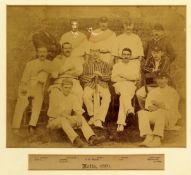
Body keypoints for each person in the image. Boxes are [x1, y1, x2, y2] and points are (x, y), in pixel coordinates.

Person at [47, 79, 105, 147]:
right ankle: (76, 140)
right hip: (54, 121)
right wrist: (70, 118)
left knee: (81, 118)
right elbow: (59, 112)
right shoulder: (56, 96)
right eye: (65, 87)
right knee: (63, 119)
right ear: (61, 87)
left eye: (69, 88)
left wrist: (79, 116)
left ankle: (92, 138)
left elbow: (78, 109)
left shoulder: (72, 97)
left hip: (66, 120)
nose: (67, 90)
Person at [12, 46, 51, 136]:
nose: (42, 54)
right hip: (28, 86)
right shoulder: (30, 64)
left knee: (37, 102)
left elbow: (54, 73)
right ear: (37, 53)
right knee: (22, 101)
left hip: (40, 88)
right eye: (40, 52)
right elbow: (24, 78)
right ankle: (15, 127)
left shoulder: (50, 64)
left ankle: (31, 126)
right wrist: (24, 90)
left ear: (47, 53)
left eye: (44, 52)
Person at [138, 73, 181, 147]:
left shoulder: (172, 92)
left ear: (167, 80)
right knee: (141, 113)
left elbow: (171, 106)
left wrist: (158, 105)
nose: (161, 80)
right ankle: (148, 136)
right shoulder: (153, 92)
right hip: (157, 115)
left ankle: (157, 139)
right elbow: (148, 105)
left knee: (161, 111)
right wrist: (153, 107)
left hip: (169, 118)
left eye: (163, 78)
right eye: (159, 78)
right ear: (156, 80)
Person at [111, 48, 141, 132]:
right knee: (124, 92)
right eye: (124, 54)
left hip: (130, 86)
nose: (126, 56)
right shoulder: (117, 65)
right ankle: (129, 109)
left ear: (130, 56)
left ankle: (120, 124)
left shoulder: (134, 65)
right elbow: (113, 78)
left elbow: (136, 77)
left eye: (128, 54)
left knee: (123, 97)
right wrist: (128, 78)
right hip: (119, 86)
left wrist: (122, 75)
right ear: (121, 55)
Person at [81, 48, 111, 128]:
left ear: (99, 52)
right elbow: (82, 77)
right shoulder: (86, 64)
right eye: (92, 51)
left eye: (96, 51)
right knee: (85, 95)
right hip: (90, 84)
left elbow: (108, 77)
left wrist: (101, 75)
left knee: (107, 97)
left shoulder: (105, 64)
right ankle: (92, 116)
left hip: (102, 84)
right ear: (90, 53)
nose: (95, 54)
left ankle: (100, 119)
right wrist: (91, 76)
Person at [49, 42, 84, 106]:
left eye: (69, 48)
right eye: (65, 48)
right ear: (62, 49)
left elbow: (79, 72)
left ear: (72, 49)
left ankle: (77, 114)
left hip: (73, 81)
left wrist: (61, 72)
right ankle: (56, 115)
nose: (68, 50)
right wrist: (69, 68)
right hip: (60, 81)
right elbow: (54, 75)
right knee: (54, 93)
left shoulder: (76, 59)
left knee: (79, 92)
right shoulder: (57, 60)